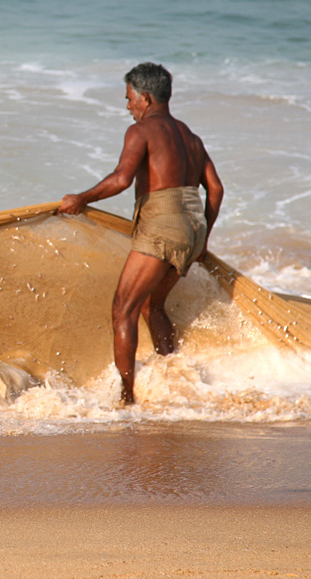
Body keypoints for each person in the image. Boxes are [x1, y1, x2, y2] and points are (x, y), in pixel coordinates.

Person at [57, 63, 224, 407]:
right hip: (193, 226)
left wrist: (80, 199)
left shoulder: (143, 131)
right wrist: (202, 241)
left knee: (123, 309)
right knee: (153, 305)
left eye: (130, 98)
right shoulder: (190, 136)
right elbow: (216, 189)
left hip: (163, 226)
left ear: (146, 97)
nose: (128, 106)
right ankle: (173, 383)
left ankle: (126, 399)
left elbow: (121, 180)